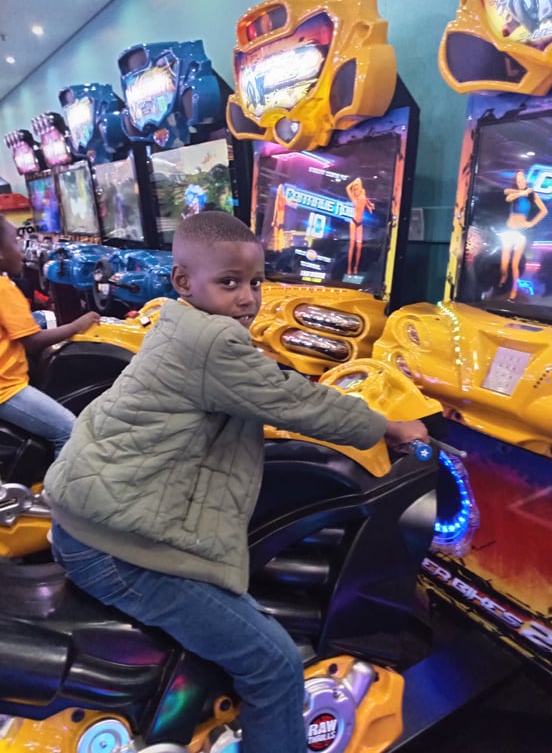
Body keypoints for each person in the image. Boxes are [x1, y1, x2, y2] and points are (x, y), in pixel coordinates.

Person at [45, 211, 429, 753]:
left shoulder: (178, 325)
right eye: (229, 283)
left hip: (89, 520)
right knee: (272, 663)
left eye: (255, 283)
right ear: (184, 281)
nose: (247, 298)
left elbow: (262, 387)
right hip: (115, 549)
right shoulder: (212, 342)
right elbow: (293, 401)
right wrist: (389, 427)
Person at [0, 216, 100, 456]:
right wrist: (76, 326)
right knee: (70, 430)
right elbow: (32, 342)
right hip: (6, 388)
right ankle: (63, 482)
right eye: (15, 242)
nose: (22, 251)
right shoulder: (3, 288)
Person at [500, 169, 547, 300]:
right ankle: (503, 279)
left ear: (526, 180)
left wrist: (532, 223)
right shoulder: (513, 192)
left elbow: (544, 211)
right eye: (518, 180)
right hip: (509, 230)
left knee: (515, 264)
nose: (521, 181)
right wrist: (522, 193)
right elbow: (507, 196)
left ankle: (514, 290)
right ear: (515, 181)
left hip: (521, 232)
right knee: (504, 261)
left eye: (522, 179)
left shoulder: (532, 195)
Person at [346, 177, 375, 276]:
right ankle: (349, 268)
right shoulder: (353, 198)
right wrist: (353, 182)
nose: (356, 189)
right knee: (352, 246)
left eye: (357, 187)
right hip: (353, 222)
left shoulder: (363, 194)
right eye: (355, 187)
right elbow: (347, 188)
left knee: (359, 247)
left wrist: (370, 206)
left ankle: (356, 268)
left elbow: (366, 201)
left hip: (360, 224)